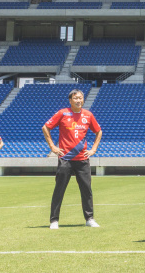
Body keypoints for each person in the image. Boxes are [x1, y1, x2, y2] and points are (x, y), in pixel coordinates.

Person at [42, 88, 102, 229]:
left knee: (86, 190)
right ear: (70, 100)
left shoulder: (88, 115)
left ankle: (89, 219)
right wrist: (52, 146)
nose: (78, 100)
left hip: (82, 159)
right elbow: (45, 127)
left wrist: (93, 149)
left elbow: (98, 131)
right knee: (59, 190)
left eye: (80, 98)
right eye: (75, 98)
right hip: (65, 158)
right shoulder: (63, 113)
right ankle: (54, 220)